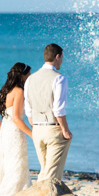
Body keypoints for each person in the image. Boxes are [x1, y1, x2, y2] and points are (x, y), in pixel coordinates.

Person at [24, 43, 72, 182]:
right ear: (57, 57)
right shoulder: (59, 78)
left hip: (37, 129)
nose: (62, 61)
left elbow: (28, 108)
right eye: (62, 58)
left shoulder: (30, 79)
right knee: (52, 177)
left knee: (44, 171)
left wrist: (36, 125)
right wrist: (65, 130)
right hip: (53, 129)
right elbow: (58, 109)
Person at [0, 62, 32, 196]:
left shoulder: (4, 91)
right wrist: (32, 134)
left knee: (6, 167)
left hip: (5, 133)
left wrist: (2, 132)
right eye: (28, 75)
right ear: (22, 75)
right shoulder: (19, 91)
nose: (29, 77)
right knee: (17, 167)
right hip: (15, 133)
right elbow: (16, 118)